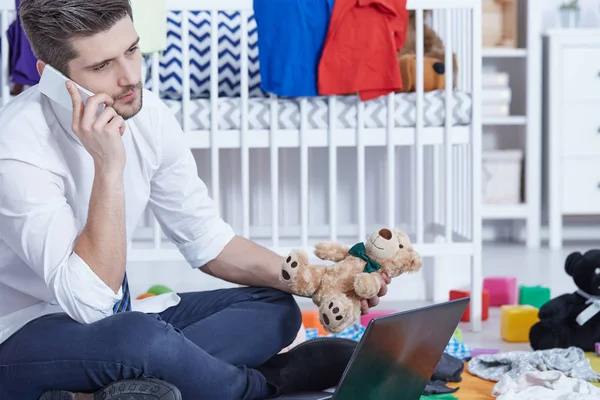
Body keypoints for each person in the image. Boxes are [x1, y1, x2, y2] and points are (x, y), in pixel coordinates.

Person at [0, 1, 391, 399]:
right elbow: (89, 302)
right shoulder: (15, 148)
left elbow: (208, 242)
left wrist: (321, 283)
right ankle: (270, 382)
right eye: (101, 67)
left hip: (122, 325)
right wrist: (108, 167)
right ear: (50, 78)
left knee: (275, 306)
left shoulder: (146, 114)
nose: (130, 77)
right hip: (21, 337)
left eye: (132, 51)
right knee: (139, 339)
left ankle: (121, 390)